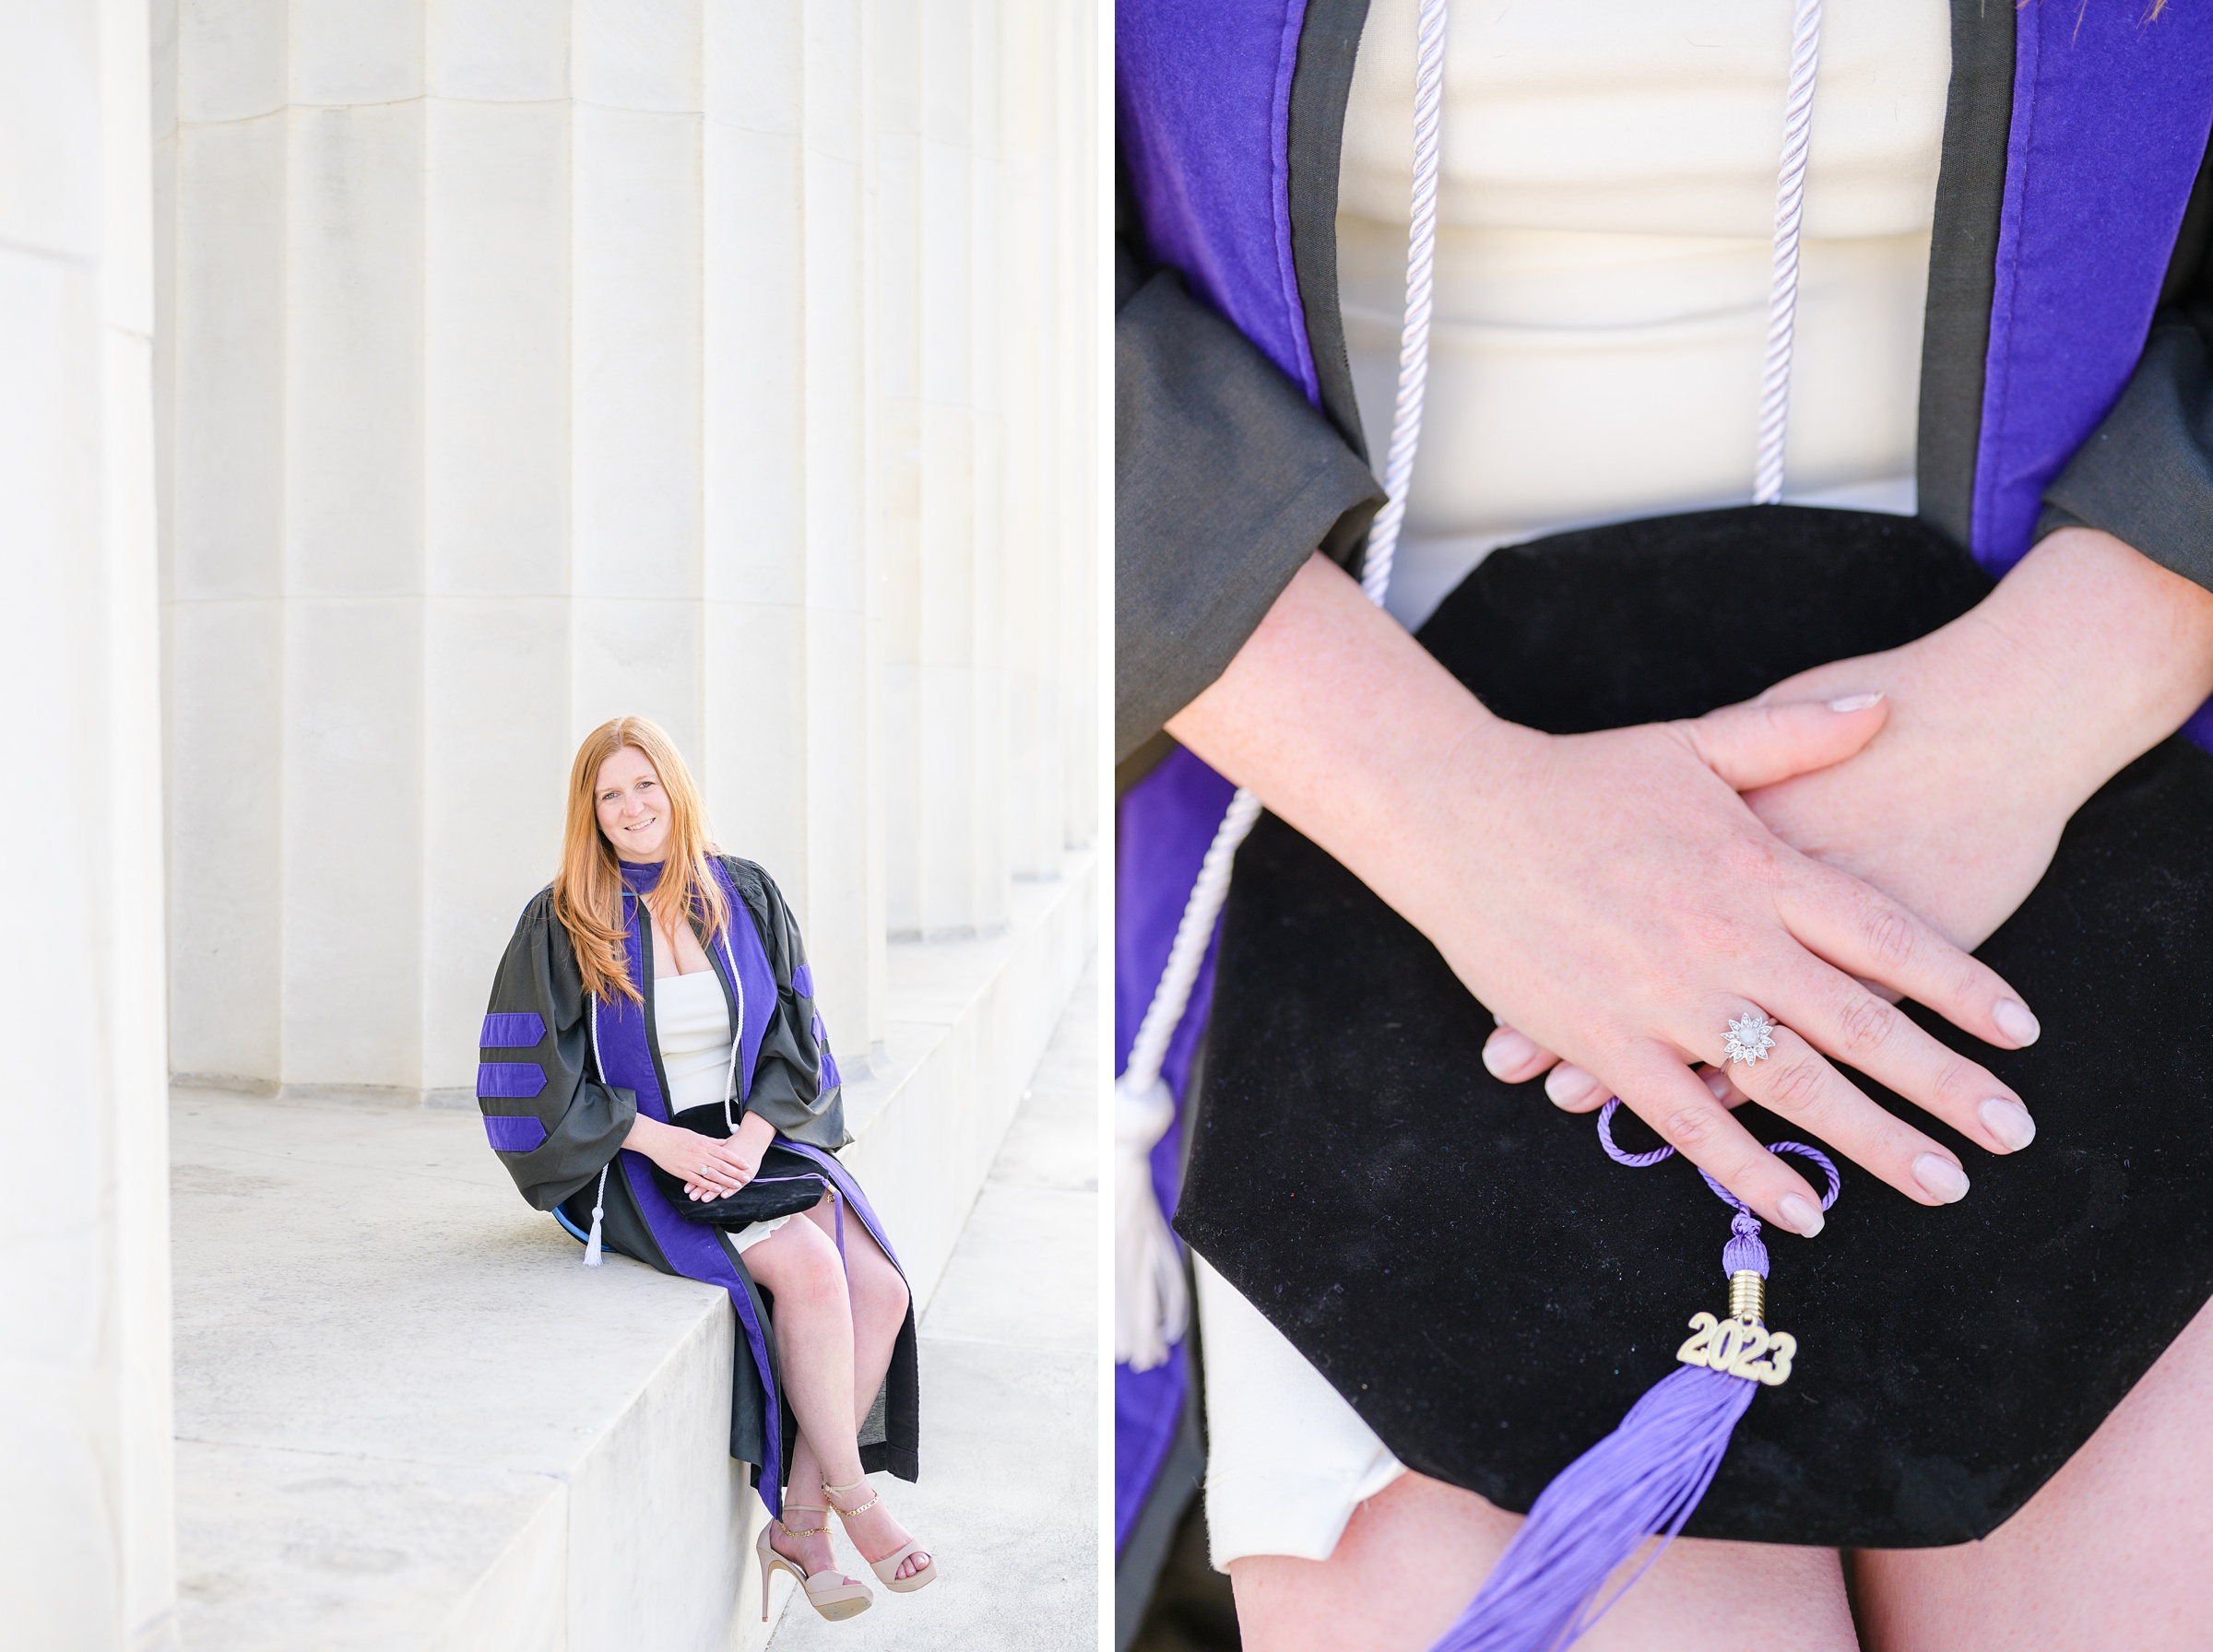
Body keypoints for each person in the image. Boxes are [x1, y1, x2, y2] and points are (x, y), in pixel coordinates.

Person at [1116, 1, 2213, 1648]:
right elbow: (928, 277)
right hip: (1389, 869)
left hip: (2070, 804)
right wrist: (1457, 811)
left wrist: (2044, 701)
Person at [476, 715, 935, 1623]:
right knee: (807, 1267)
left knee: (879, 1288)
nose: (632, 806)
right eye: (610, 794)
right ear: (590, 812)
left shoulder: (744, 895)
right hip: (632, 1157)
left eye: (645, 785)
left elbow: (798, 1042)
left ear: (676, 789)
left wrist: (754, 1141)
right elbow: (527, 1088)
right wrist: (659, 1140)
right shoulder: (563, 918)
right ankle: (853, 1500)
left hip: (747, 1139)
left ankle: (799, 1523)